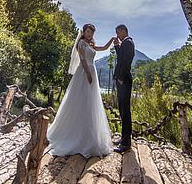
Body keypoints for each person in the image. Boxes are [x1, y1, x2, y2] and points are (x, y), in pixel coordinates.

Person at [46, 23, 115, 157]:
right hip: (84, 72)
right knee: (79, 100)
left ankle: (89, 135)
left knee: (91, 103)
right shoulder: (81, 44)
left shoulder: (91, 43)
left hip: (92, 71)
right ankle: (75, 135)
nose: (90, 34)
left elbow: (103, 48)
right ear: (84, 32)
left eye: (92, 32)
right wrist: (88, 73)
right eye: (88, 32)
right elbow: (83, 60)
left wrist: (112, 40)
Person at [112, 24, 134, 153]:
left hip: (124, 79)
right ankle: (124, 138)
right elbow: (121, 58)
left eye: (118, 33)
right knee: (122, 109)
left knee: (125, 110)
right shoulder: (125, 43)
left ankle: (126, 143)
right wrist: (116, 46)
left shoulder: (129, 42)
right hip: (122, 79)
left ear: (123, 31)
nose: (117, 36)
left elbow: (126, 62)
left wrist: (120, 78)